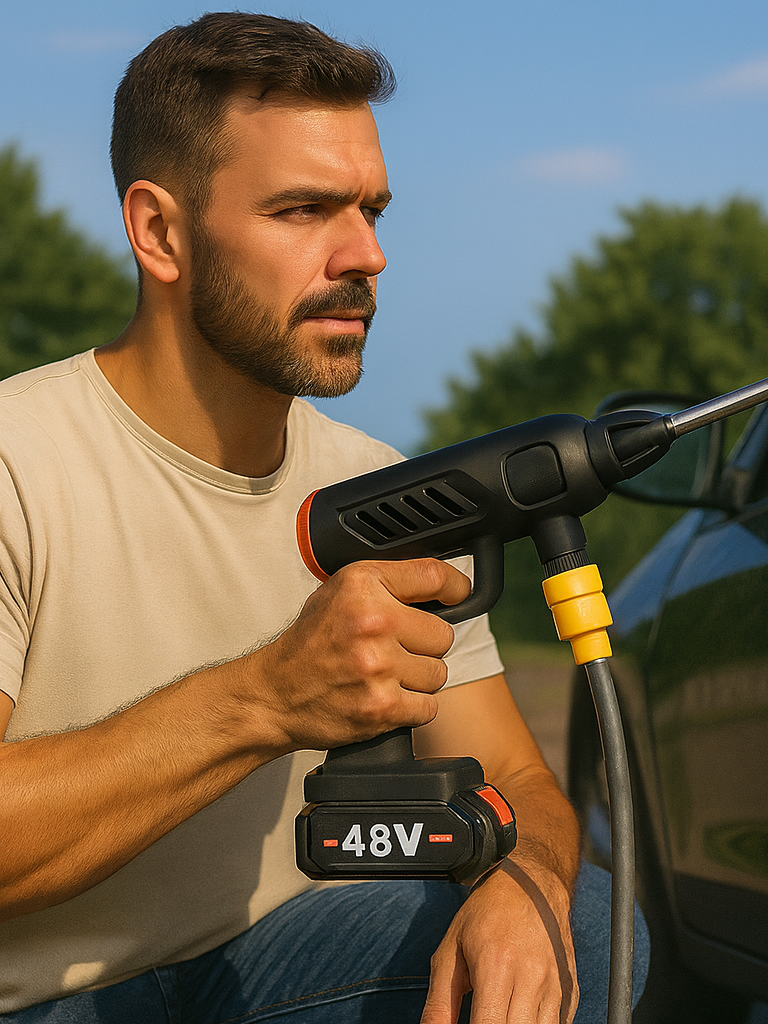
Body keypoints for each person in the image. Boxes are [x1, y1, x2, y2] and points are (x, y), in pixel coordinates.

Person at [0, 12, 647, 1024]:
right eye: (304, 209)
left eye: (371, 210)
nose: (365, 255)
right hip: (42, 999)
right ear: (158, 231)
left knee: (590, 925)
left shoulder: (387, 489)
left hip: (271, 972)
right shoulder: (16, 458)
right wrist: (267, 697)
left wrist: (526, 886)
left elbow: (518, 774)